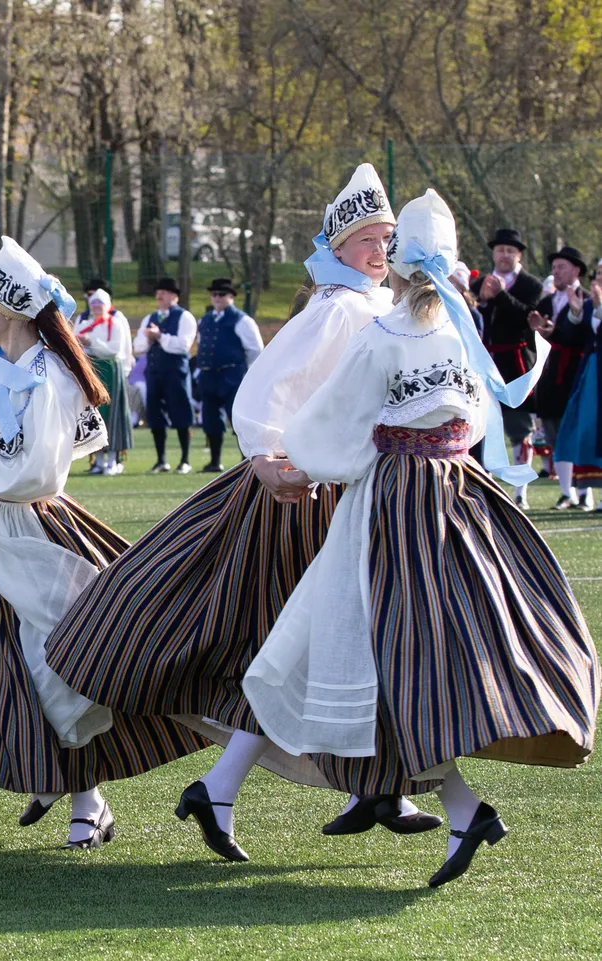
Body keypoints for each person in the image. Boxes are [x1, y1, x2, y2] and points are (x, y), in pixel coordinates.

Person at [46, 163, 419, 862]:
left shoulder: (370, 307)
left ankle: (348, 786)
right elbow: (263, 392)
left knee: (328, 641)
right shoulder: (339, 309)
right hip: (310, 498)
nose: (379, 250)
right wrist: (266, 459)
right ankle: (341, 786)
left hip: (345, 492)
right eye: (368, 238)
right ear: (338, 245)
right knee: (309, 641)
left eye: (388, 238)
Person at [244, 189, 596, 888]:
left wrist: (299, 467)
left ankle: (449, 805)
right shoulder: (457, 330)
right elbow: (473, 409)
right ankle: (451, 806)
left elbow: (337, 418)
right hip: (464, 496)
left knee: (392, 647)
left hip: (398, 498)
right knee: (448, 641)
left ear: (397, 264)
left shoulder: (385, 332)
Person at [0, 237, 205, 849]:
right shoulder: (10, 371)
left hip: (31, 531)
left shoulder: (45, 376)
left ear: (9, 311)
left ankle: (83, 796)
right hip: (0, 534)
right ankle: (71, 787)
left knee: (54, 665)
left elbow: (41, 473)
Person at [472, 227, 546, 508]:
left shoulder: (531, 285)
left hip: (515, 363)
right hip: (484, 363)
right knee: (483, 427)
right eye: (500, 249)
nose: (504, 255)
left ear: (518, 255)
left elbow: (527, 318)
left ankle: (520, 492)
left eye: (510, 251)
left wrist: (501, 296)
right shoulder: (479, 284)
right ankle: (484, 486)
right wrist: (485, 299)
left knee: (520, 429)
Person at [528, 246, 593, 509]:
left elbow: (584, 336)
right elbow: (534, 338)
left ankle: (583, 491)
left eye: (562, 266)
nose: (556, 271)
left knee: (578, 433)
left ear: (576, 269)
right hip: (549, 373)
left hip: (575, 373)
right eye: (554, 267)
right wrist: (536, 331)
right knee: (554, 434)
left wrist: (554, 333)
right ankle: (569, 492)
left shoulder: (587, 299)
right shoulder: (546, 302)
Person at [194, 278, 264, 472]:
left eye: (222, 294)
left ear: (231, 297)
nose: (217, 298)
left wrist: (248, 375)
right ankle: (215, 460)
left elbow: (255, 350)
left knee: (239, 420)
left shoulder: (242, 320)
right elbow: (202, 345)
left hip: (232, 375)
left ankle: (245, 460)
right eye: (214, 294)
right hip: (209, 376)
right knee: (211, 420)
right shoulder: (205, 320)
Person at [134, 278, 196, 473]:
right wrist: (149, 337)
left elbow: (183, 345)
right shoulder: (149, 317)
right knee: (155, 414)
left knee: (181, 413)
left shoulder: (184, 317)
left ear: (174, 296)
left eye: (165, 292)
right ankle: (161, 460)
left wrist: (160, 336)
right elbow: (138, 347)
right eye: (158, 291)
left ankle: (185, 459)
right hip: (154, 372)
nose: (160, 295)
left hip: (175, 371)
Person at [551, 270, 602, 504]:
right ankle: (584, 493)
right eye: (598, 274)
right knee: (587, 430)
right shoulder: (589, 304)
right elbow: (573, 338)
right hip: (591, 371)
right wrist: (576, 312)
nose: (599, 279)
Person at [74, 288, 132, 475]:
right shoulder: (85, 323)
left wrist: (91, 342)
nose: (97, 309)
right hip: (93, 370)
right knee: (93, 413)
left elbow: (114, 350)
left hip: (110, 371)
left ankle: (113, 460)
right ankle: (98, 460)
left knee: (112, 412)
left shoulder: (115, 323)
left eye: (100, 305)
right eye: (94, 305)